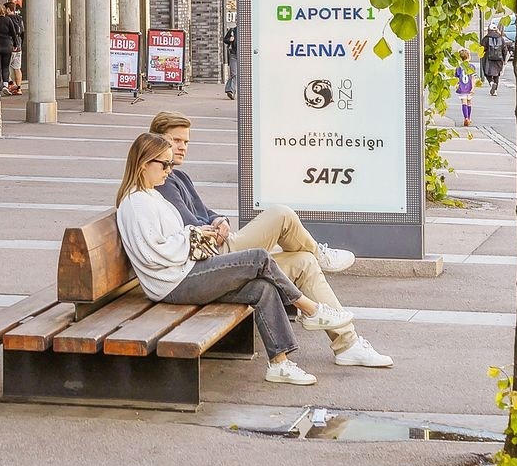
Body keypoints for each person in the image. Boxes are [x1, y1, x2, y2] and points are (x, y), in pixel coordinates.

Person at [147, 111, 394, 368]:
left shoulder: (179, 176)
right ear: (155, 141)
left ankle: (348, 345)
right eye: (175, 141)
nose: (182, 147)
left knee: (304, 262)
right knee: (281, 215)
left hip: (218, 248)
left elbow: (205, 213)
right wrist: (213, 227)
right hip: (211, 260)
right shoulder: (162, 183)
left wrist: (219, 219)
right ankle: (320, 255)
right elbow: (191, 228)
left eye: (186, 142)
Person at [115, 132, 354, 386]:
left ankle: (279, 364)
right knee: (259, 258)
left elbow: (171, 237)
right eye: (164, 164)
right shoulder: (136, 203)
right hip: (174, 283)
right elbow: (153, 253)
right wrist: (192, 237)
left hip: (184, 273)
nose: (169, 170)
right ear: (143, 164)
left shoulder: (151, 195)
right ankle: (311, 309)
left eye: (170, 164)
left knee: (262, 288)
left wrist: (192, 234)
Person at [0, 3, 21, 95]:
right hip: (7, 46)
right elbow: (14, 33)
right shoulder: (8, 20)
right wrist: (15, 44)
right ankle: (5, 85)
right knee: (5, 67)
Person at [481, 21, 510, 95]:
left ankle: (491, 83)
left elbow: (481, 48)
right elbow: (504, 49)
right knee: (497, 74)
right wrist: (504, 59)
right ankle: (495, 91)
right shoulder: (501, 38)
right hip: (499, 59)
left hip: (488, 58)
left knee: (487, 73)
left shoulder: (486, 38)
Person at [455, 49, 476, 127]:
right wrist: (473, 87)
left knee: (464, 102)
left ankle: (465, 117)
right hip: (469, 86)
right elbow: (473, 78)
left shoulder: (459, 67)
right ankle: (469, 118)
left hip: (462, 87)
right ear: (469, 57)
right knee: (469, 102)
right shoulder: (471, 67)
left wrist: (457, 85)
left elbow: (457, 77)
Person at [9, 1, 26, 92]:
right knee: (17, 68)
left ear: (8, 9)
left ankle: (11, 84)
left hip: (10, 46)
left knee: (4, 67)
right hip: (18, 47)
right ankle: (19, 88)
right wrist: (20, 44)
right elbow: (22, 32)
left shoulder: (7, 19)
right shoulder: (19, 19)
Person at [222, 24, 237, 100]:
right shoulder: (232, 30)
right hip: (233, 55)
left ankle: (229, 89)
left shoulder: (247, 31)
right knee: (234, 73)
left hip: (244, 56)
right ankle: (231, 91)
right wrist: (229, 40)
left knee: (235, 75)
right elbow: (225, 40)